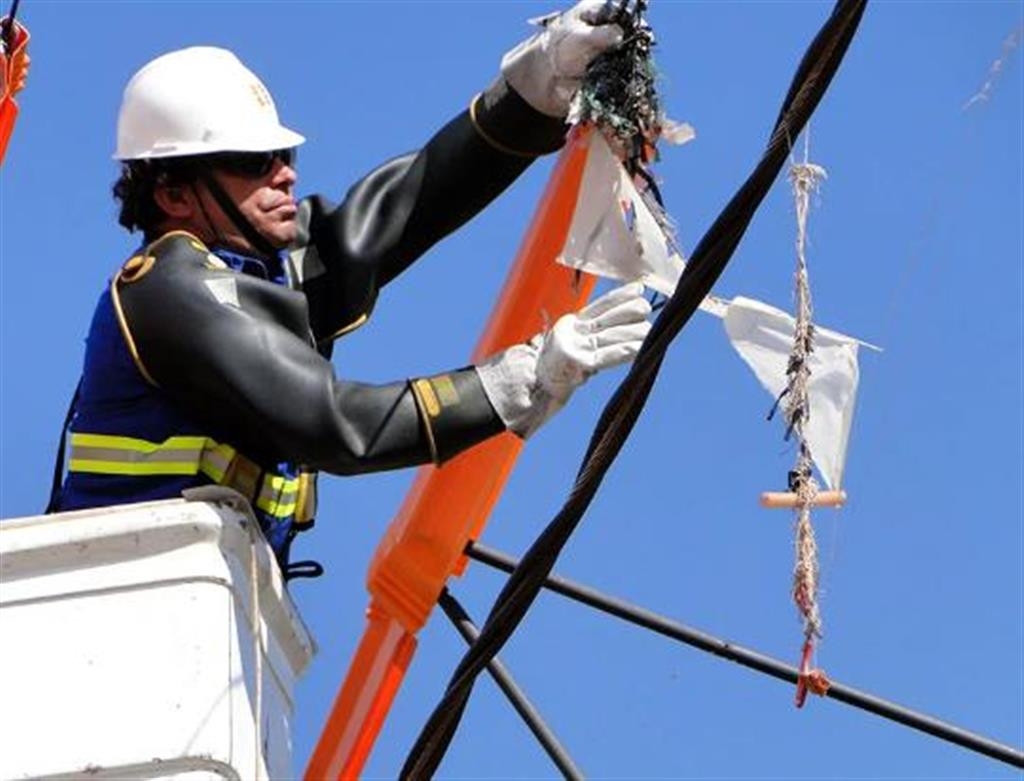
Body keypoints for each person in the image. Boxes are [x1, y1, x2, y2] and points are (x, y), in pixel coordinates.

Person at [48, 1, 652, 576]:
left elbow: (406, 203)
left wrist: (534, 86)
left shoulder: (255, 271)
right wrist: (524, 378)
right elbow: (337, 425)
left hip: (204, 606)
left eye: (281, 153)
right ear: (175, 195)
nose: (284, 172)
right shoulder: (171, 290)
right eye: (252, 162)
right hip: (122, 608)